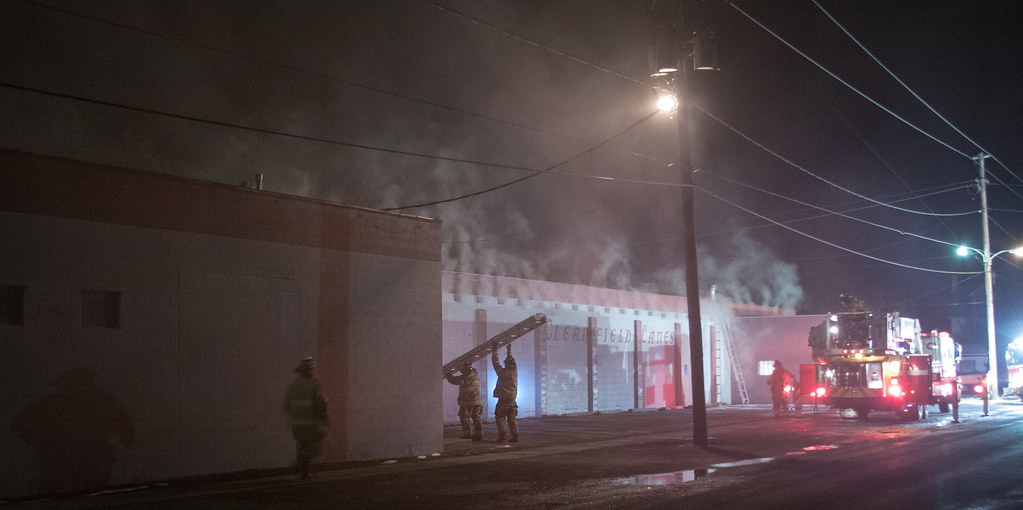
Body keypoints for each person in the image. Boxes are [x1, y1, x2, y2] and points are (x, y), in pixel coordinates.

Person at [284, 357, 329, 479]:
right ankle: (301, 465)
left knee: (301, 446)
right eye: (312, 369)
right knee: (313, 447)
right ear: (309, 370)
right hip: (311, 423)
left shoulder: (293, 387)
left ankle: (303, 471)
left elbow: (287, 406)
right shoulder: (314, 386)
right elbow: (321, 404)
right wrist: (325, 418)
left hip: (297, 424)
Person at [445, 362, 483, 441]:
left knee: (464, 418)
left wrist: (447, 373)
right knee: (476, 418)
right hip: (476, 402)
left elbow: (453, 380)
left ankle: (467, 435)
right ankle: (479, 435)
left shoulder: (464, 378)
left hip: (467, 402)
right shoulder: (476, 375)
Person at [491, 346, 518, 443]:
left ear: (505, 364)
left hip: (503, 398)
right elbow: (511, 360)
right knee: (511, 417)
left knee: (500, 416)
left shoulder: (502, 372)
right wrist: (508, 350)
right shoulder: (514, 371)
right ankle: (515, 435)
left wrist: (495, 351)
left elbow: (495, 363)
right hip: (512, 398)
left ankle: (502, 436)